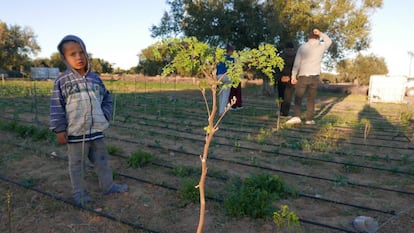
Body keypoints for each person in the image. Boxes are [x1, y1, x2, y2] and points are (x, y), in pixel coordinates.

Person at [50, 35, 128, 206]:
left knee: (102, 161)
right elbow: (57, 106)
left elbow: (107, 98)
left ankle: (108, 186)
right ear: (64, 58)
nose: (78, 57)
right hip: (76, 133)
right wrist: (59, 129)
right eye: (72, 54)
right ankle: (79, 194)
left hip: (96, 131)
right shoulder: (62, 81)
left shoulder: (95, 78)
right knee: (77, 165)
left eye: (81, 52)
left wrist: (105, 114)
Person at [286, 28, 332, 125]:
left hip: (303, 76)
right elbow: (329, 41)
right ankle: (309, 119)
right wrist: (320, 33)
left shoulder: (302, 47)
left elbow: (297, 63)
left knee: (298, 97)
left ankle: (296, 116)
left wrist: (293, 75)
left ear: (308, 38)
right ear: (318, 38)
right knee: (311, 99)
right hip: (315, 76)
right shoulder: (321, 46)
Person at [277, 41, 297, 117]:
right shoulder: (296, 56)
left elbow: (277, 67)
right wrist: (292, 77)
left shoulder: (281, 55)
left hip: (281, 78)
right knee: (288, 97)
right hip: (291, 78)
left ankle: (280, 111)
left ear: (285, 47)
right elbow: (297, 67)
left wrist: (280, 76)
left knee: (281, 95)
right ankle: (285, 113)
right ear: (293, 48)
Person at [216, 44, 235, 115]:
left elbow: (217, 67)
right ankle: (222, 111)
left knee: (220, 94)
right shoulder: (232, 58)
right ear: (230, 51)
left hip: (219, 76)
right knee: (225, 94)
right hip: (227, 76)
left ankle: (220, 109)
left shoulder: (221, 58)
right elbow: (234, 69)